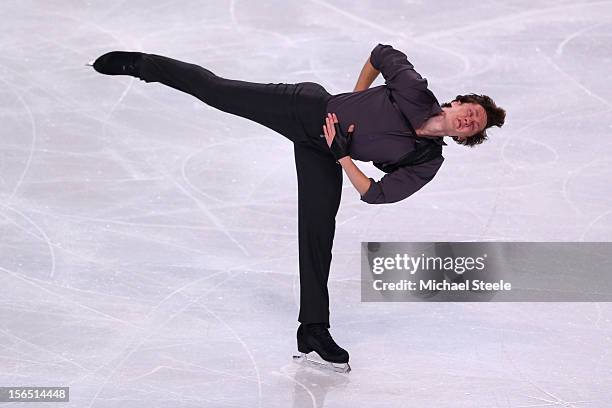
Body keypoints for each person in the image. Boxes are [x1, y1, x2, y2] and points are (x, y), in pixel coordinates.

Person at [90, 43, 506, 373]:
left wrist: (343, 157)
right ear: (455, 103)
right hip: (306, 107)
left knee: (317, 235)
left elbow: (375, 193)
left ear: (465, 137)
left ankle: (313, 331)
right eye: (471, 111)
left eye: (475, 125)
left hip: (325, 154)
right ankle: (143, 65)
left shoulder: (426, 160)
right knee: (218, 91)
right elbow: (382, 53)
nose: (470, 119)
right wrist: (351, 99)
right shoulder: (414, 89)